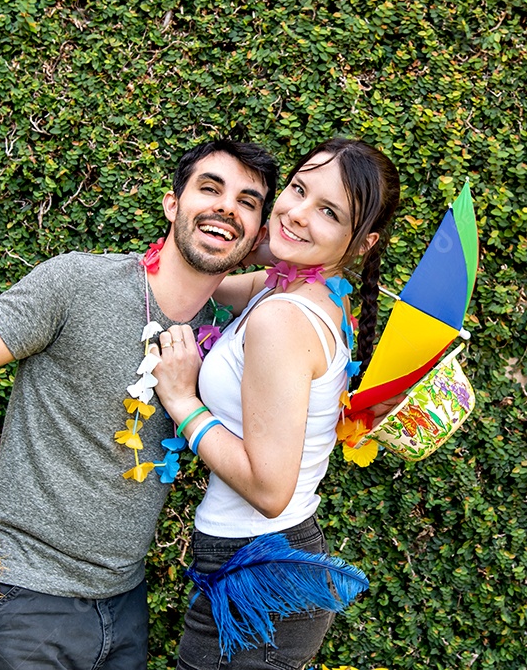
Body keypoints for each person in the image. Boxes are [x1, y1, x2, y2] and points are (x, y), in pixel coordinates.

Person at [0, 139, 279, 670]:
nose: (227, 207)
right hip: (20, 597)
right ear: (172, 204)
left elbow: (305, 281)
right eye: (210, 189)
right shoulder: (78, 283)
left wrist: (292, 247)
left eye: (248, 203)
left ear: (256, 235)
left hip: (124, 603)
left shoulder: (229, 336)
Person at [151, 137, 401, 670]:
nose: (297, 212)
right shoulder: (298, 290)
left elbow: (269, 489)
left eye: (329, 212)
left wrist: (181, 400)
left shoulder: (283, 320)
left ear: (361, 244)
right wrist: (264, 241)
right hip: (263, 558)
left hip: (258, 564)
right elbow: (212, 280)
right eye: (298, 189)